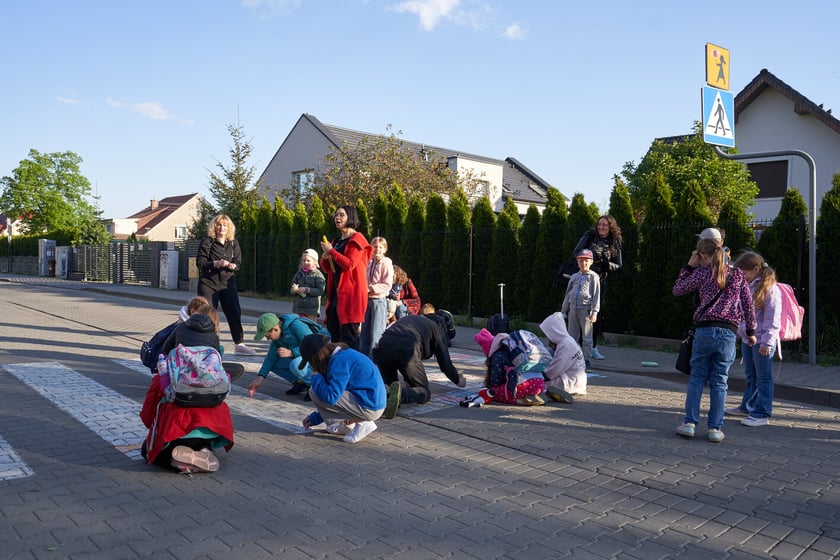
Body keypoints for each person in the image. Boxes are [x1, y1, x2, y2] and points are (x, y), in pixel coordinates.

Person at [673, 237, 756, 443]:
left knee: (697, 378)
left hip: (704, 330)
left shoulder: (701, 272)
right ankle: (715, 429)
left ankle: (690, 423)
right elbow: (748, 303)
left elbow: (678, 289)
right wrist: (751, 331)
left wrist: (688, 266)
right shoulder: (737, 274)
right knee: (720, 381)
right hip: (728, 333)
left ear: (702, 256)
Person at [140, 304, 234, 473]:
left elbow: (149, 411)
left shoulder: (167, 372)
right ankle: (205, 450)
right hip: (214, 427)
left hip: (177, 429)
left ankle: (176, 461)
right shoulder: (215, 369)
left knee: (147, 452)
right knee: (207, 417)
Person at [372, 308, 465, 419]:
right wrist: (457, 379)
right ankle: (402, 395)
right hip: (406, 350)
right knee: (424, 392)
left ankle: (383, 394)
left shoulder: (413, 319)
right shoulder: (437, 329)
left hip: (383, 347)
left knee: (391, 385)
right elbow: (445, 363)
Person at [726, 252, 781, 427]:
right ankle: (747, 406)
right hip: (748, 339)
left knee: (763, 378)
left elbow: (773, 320)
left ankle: (762, 412)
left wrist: (767, 343)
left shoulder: (770, 289)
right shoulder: (747, 285)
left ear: (755, 269)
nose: (741, 276)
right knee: (751, 376)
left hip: (762, 341)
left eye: (744, 273)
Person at [299, 334, 386, 444]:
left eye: (311, 362)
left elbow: (331, 397)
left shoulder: (339, 362)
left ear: (316, 357)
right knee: (320, 389)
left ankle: (363, 423)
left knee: (314, 391)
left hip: (370, 407)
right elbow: (338, 401)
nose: (312, 366)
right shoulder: (343, 355)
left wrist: (316, 376)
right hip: (372, 402)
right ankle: (346, 424)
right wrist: (315, 418)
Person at [196, 214, 255, 356]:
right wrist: (215, 263)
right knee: (208, 314)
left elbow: (239, 262)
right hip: (208, 283)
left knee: (234, 312)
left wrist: (233, 265)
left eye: (225, 225)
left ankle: (239, 344)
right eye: (219, 224)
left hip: (227, 283)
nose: (222, 228)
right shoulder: (208, 242)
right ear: (214, 226)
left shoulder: (233, 243)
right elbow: (200, 263)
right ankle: (207, 343)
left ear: (229, 228)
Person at [320, 205, 372, 351]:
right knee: (334, 333)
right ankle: (337, 368)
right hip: (337, 294)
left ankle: (354, 370)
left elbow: (350, 264)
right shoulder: (336, 241)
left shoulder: (357, 239)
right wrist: (325, 257)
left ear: (351, 217)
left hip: (351, 295)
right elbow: (328, 268)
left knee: (350, 338)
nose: (337, 218)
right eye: (336, 215)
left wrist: (332, 251)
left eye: (341, 215)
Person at [572, 215, 622, 360]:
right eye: (599, 224)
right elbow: (576, 253)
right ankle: (576, 347)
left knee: (596, 314)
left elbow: (619, 265)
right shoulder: (589, 237)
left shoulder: (613, 242)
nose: (601, 227)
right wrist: (588, 259)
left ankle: (592, 347)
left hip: (600, 280)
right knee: (579, 311)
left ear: (610, 227)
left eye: (605, 225)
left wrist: (608, 264)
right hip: (584, 278)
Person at [247, 313, 315, 399]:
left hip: (313, 358)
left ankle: (314, 387)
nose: (268, 339)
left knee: (295, 364)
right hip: (302, 358)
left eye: (268, 335)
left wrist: (291, 353)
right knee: (273, 363)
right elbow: (270, 359)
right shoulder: (277, 339)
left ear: (275, 329)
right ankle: (301, 383)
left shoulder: (296, 326)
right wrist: (259, 379)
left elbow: (312, 345)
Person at [561, 249, 601, 372]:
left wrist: (594, 311)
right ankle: (572, 359)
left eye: (586, 261)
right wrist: (563, 311)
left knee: (587, 337)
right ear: (577, 262)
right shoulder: (574, 277)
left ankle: (587, 360)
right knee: (571, 336)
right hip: (573, 309)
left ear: (591, 262)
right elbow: (568, 295)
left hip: (586, 310)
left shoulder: (593, 277)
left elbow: (596, 296)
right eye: (581, 260)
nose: (583, 263)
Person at [539, 311, 587, 402]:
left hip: (570, 382)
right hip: (576, 380)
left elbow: (554, 370)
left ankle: (555, 393)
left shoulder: (565, 344)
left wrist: (541, 375)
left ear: (554, 331)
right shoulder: (568, 340)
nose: (547, 337)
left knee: (537, 383)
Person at [360, 237, 393, 355]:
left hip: (378, 301)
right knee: (364, 332)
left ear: (385, 249)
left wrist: (371, 288)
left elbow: (387, 285)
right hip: (367, 300)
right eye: (375, 246)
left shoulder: (386, 263)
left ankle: (375, 360)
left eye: (380, 247)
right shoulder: (369, 262)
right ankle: (363, 358)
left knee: (376, 333)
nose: (377, 249)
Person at [290, 249, 326, 320]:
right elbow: (292, 286)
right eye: (303, 260)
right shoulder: (299, 273)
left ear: (315, 262)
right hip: (298, 309)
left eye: (308, 261)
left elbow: (320, 291)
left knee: (310, 329)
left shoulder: (318, 275)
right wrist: (294, 289)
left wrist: (307, 290)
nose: (305, 262)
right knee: (299, 328)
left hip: (311, 311)